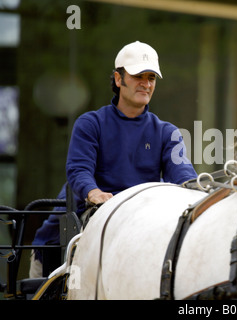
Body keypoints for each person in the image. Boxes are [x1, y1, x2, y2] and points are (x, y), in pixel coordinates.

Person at [30, 41, 197, 277]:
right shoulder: (91, 123)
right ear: (119, 80)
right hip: (68, 239)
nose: (146, 84)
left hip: (139, 228)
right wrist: (94, 193)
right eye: (139, 76)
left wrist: (201, 191)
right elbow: (79, 170)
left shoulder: (167, 132)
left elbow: (183, 177)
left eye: (151, 78)